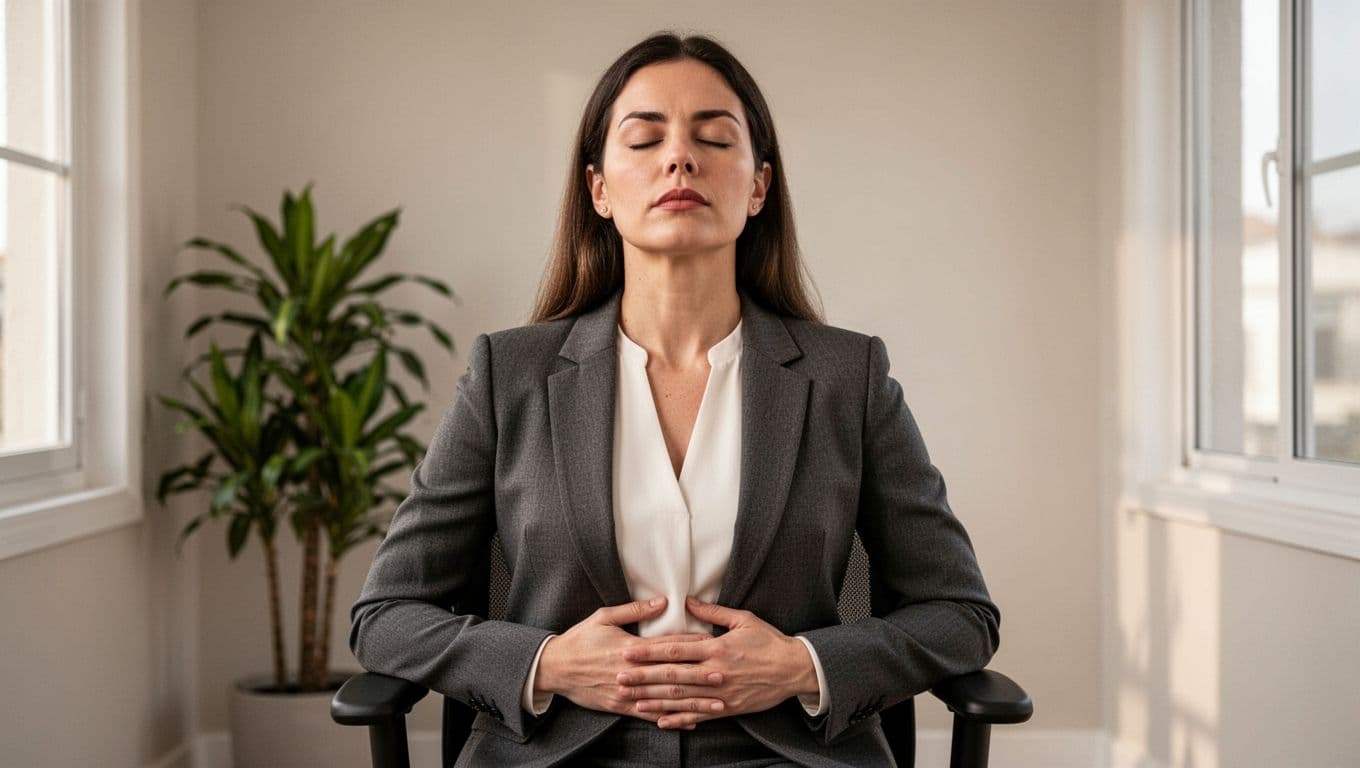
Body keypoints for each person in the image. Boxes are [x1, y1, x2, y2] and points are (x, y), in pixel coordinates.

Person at [349, 31, 999, 768]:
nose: (680, 158)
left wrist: (802, 666)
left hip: (789, 754)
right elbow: (386, 616)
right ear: (598, 189)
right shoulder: (510, 374)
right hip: (563, 753)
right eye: (645, 138)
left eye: (715, 138)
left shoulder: (847, 378)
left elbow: (959, 614)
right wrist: (549, 663)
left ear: (757, 187)